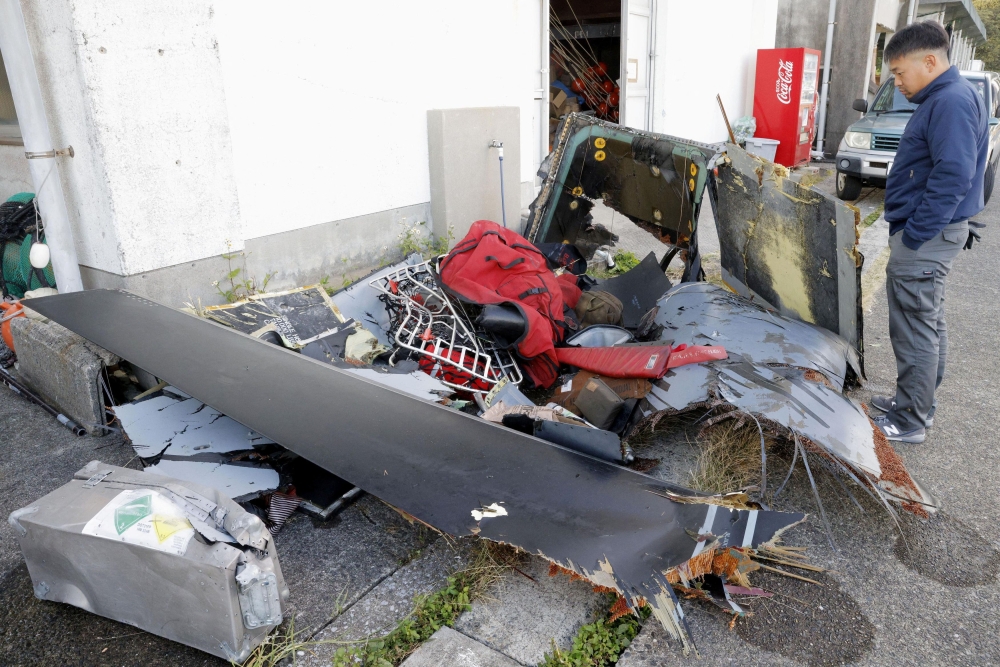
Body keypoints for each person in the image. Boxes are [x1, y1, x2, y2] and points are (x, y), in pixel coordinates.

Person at [872, 21, 988, 443]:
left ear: (930, 60)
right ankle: (917, 405)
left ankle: (909, 422)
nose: (898, 82)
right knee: (928, 321)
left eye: (900, 72)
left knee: (914, 327)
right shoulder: (944, 97)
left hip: (926, 236)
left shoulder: (951, 101)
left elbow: (954, 175)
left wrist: (916, 234)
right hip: (933, 233)